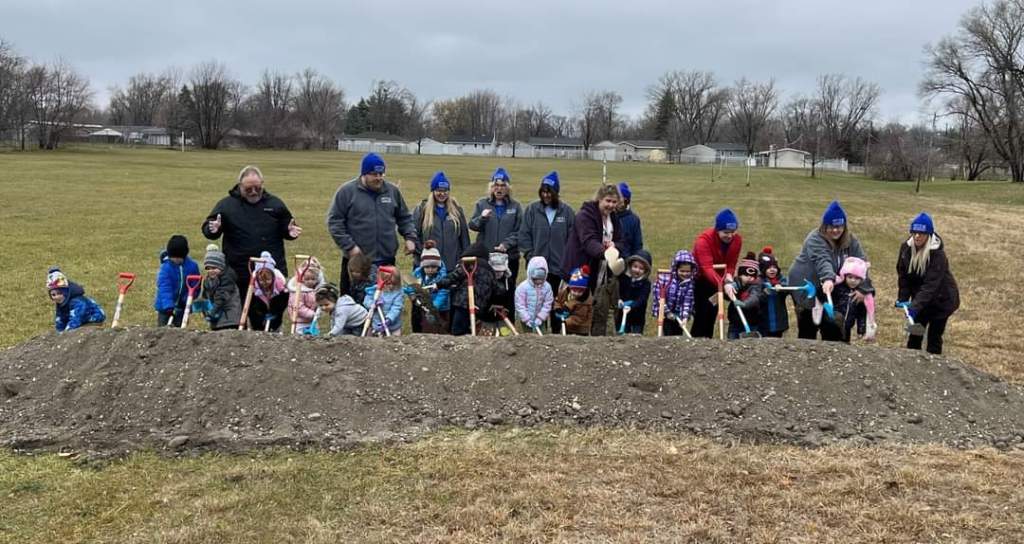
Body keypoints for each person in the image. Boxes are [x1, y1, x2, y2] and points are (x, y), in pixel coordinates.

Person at [327, 152, 417, 296]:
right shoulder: (346, 192)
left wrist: (410, 237)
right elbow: (334, 222)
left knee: (385, 303)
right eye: (374, 174)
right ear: (364, 174)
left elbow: (404, 217)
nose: (379, 178)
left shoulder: (392, 191)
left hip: (386, 260)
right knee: (354, 306)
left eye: (381, 174)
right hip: (357, 262)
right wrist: (350, 247)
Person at [202, 165, 302, 295]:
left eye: (257, 188)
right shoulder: (226, 205)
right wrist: (213, 229)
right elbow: (209, 228)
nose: (254, 192)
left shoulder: (275, 204)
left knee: (269, 312)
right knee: (240, 311)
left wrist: (290, 232)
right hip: (238, 271)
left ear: (262, 184)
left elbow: (288, 227)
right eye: (248, 189)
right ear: (240, 186)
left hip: (270, 271)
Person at [788, 200, 874, 342]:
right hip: (807, 285)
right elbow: (823, 260)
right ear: (824, 226)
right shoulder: (815, 239)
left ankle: (834, 356)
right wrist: (828, 278)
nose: (835, 230)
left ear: (844, 226)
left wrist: (864, 288)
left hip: (831, 286)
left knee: (833, 325)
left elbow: (861, 264)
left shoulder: (851, 241)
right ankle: (807, 357)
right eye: (831, 226)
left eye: (839, 226)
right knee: (809, 326)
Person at [563, 184, 626, 336]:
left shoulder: (614, 219)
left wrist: (614, 245)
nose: (611, 205)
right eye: (608, 201)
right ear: (599, 199)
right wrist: (606, 253)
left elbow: (622, 241)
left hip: (602, 274)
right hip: (579, 273)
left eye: (614, 202)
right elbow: (588, 241)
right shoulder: (584, 216)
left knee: (599, 312)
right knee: (578, 313)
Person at [518, 171, 575, 332]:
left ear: (556, 193)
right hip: (537, 269)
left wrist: (567, 261)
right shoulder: (532, 210)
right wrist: (530, 255)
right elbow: (524, 235)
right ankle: (536, 333)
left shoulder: (567, 212)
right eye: (543, 192)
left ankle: (557, 334)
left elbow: (573, 240)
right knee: (536, 303)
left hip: (558, 268)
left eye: (549, 192)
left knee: (557, 304)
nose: (546, 195)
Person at [896, 212, 960, 354]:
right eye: (915, 232)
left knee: (934, 337)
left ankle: (933, 368)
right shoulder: (906, 249)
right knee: (915, 335)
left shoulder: (938, 255)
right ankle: (912, 366)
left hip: (941, 300)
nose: (917, 236)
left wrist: (915, 306)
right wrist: (903, 298)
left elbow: (930, 286)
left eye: (921, 233)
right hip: (921, 299)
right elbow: (903, 276)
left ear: (929, 234)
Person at [690, 208, 743, 338]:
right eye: (726, 232)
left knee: (712, 312)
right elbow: (706, 268)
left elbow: (731, 263)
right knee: (702, 314)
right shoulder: (703, 241)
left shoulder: (737, 241)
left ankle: (708, 341)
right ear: (717, 229)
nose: (730, 236)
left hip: (719, 278)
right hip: (701, 280)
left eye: (732, 232)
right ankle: (696, 342)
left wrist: (729, 277)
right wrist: (723, 283)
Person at [469, 167, 523, 285]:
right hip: (486, 255)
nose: (499, 189)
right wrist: (482, 218)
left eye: (503, 185)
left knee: (508, 288)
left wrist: (506, 244)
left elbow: (520, 231)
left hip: (509, 256)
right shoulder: (482, 204)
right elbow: (472, 225)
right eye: (496, 185)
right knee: (485, 287)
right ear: (491, 187)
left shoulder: (515, 206)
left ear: (508, 188)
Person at [436, 242, 503, 336]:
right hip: (480, 306)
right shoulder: (490, 271)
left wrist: (438, 284)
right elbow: (497, 289)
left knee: (457, 330)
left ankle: (458, 344)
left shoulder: (468, 264)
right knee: (470, 327)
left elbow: (453, 277)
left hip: (462, 302)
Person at [412, 171, 470, 272]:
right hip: (428, 267)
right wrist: (422, 255)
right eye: (439, 190)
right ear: (433, 191)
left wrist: (464, 260)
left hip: (452, 267)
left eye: (445, 190)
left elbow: (464, 239)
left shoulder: (457, 210)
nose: (442, 194)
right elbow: (413, 236)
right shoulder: (422, 209)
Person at [154, 234, 201, 327]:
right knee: (163, 329)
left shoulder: (192, 266)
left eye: (178, 258)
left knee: (180, 331)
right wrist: (169, 306)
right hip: (165, 308)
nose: (175, 260)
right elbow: (164, 288)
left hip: (183, 307)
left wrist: (188, 299)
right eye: (173, 257)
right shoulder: (166, 268)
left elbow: (196, 285)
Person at [195, 244, 241, 330]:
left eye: (214, 268)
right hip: (216, 317)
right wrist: (203, 308)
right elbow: (206, 297)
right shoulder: (208, 280)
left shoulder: (227, 278)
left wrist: (213, 311)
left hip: (229, 318)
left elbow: (222, 296)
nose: (211, 271)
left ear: (221, 267)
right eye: (208, 268)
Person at [408, 241, 450, 334]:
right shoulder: (417, 274)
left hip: (440, 309)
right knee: (427, 329)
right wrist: (411, 293)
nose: (430, 270)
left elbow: (443, 293)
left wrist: (434, 307)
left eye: (433, 267)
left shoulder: (442, 277)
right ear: (423, 266)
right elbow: (409, 285)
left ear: (438, 266)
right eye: (427, 267)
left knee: (441, 329)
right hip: (425, 308)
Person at [47, 267, 105, 332]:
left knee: (79, 332)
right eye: (53, 295)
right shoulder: (60, 303)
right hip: (78, 321)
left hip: (93, 319)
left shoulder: (78, 302)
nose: (57, 297)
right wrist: (59, 333)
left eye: (59, 293)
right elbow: (60, 318)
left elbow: (77, 317)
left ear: (66, 292)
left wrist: (66, 332)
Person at [833, 256, 877, 343]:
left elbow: (862, 313)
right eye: (850, 277)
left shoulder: (859, 295)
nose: (853, 280)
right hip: (833, 325)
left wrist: (861, 329)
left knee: (844, 345)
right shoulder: (837, 288)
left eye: (857, 278)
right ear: (844, 276)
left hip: (847, 326)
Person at [720, 253, 762, 340]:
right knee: (732, 340)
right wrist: (728, 290)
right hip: (735, 321)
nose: (749, 278)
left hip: (751, 320)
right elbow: (727, 297)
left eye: (752, 276)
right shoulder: (735, 283)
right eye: (746, 275)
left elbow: (754, 298)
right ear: (740, 274)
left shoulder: (755, 286)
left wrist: (744, 304)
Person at [655, 250, 697, 336]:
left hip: (679, 314)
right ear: (676, 269)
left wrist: (685, 317)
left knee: (678, 334)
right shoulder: (665, 280)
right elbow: (659, 298)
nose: (685, 274)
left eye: (688, 271)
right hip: (665, 314)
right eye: (682, 271)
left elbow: (687, 301)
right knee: (668, 333)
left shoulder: (689, 284)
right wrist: (667, 312)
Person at [248, 251, 290, 332]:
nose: (264, 283)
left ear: (273, 277)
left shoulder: (280, 288)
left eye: (267, 280)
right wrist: (260, 314)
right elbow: (252, 307)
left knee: (275, 329)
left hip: (275, 315)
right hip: (258, 320)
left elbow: (283, 303)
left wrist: (275, 311)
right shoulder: (254, 288)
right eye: (261, 280)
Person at [616, 249, 652, 334]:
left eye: (641, 268)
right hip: (622, 315)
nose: (637, 270)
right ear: (630, 266)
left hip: (637, 318)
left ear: (646, 271)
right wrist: (619, 300)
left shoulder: (646, 284)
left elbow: (642, 300)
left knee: (636, 337)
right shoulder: (624, 279)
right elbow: (619, 292)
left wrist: (632, 305)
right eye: (635, 266)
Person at [758, 247, 791, 338]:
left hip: (779, 321)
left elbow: (788, 288)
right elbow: (756, 297)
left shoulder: (781, 279)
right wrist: (764, 292)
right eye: (768, 268)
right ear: (763, 269)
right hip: (764, 321)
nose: (772, 270)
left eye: (774, 267)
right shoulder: (759, 281)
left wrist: (782, 288)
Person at [287, 256, 326, 334]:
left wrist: (320, 309)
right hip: (300, 322)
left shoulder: (317, 290)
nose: (310, 281)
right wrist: (312, 314)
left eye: (313, 279)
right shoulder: (298, 291)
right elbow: (298, 307)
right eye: (307, 279)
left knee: (315, 337)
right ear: (302, 278)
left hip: (313, 321)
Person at [515, 256, 554, 332]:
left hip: (540, 318)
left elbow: (547, 304)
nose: (539, 282)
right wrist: (526, 319)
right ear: (530, 274)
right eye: (535, 279)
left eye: (541, 279)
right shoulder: (522, 288)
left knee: (541, 337)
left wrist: (541, 317)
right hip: (526, 318)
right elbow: (520, 305)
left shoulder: (547, 287)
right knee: (529, 337)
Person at [362, 268, 404, 336]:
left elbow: (397, 307)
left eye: (393, 284)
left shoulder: (398, 293)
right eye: (388, 284)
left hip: (393, 327)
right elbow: (366, 301)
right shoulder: (375, 290)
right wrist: (373, 304)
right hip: (376, 324)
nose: (391, 286)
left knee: (394, 342)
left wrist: (389, 319)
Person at [553, 266, 594, 336]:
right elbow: (558, 301)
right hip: (568, 328)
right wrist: (558, 309)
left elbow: (579, 318)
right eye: (574, 290)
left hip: (580, 330)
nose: (576, 293)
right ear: (570, 287)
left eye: (580, 291)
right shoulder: (564, 293)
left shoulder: (585, 301)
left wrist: (566, 321)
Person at [615, 181, 643, 257]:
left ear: (625, 200)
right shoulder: (607, 215)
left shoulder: (634, 220)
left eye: (618, 197)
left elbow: (637, 246)